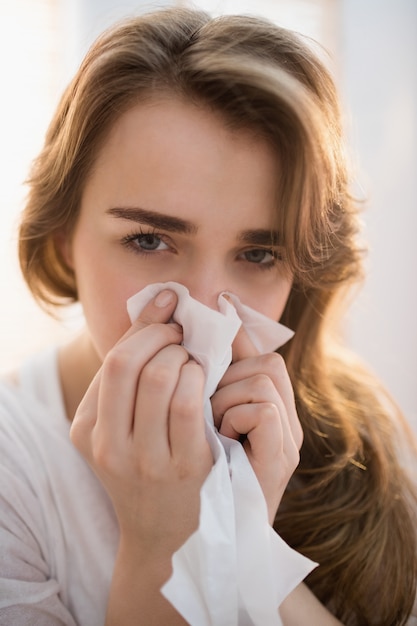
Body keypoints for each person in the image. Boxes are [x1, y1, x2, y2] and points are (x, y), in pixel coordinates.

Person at [0, 6, 415, 625]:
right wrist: (162, 542)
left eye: (257, 253)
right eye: (148, 240)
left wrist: (239, 525)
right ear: (63, 236)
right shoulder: (14, 464)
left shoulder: (357, 430)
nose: (204, 306)